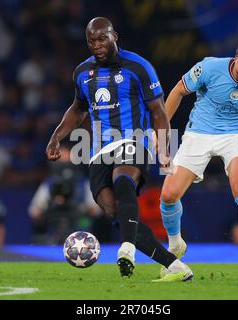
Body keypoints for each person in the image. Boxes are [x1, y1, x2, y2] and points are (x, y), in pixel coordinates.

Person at [46, 17, 192, 282]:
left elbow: (158, 112)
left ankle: (126, 249)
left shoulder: (138, 66)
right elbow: (77, 108)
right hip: (100, 150)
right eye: (91, 41)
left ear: (115, 36)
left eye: (102, 38)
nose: (97, 45)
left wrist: (165, 150)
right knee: (115, 213)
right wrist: (57, 137)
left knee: (123, 180)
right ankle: (175, 266)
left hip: (134, 140)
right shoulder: (82, 73)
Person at [158, 36, 238, 279]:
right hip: (199, 131)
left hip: (236, 135)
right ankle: (175, 243)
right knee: (168, 195)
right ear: (235, 59)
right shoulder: (209, 67)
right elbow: (177, 91)